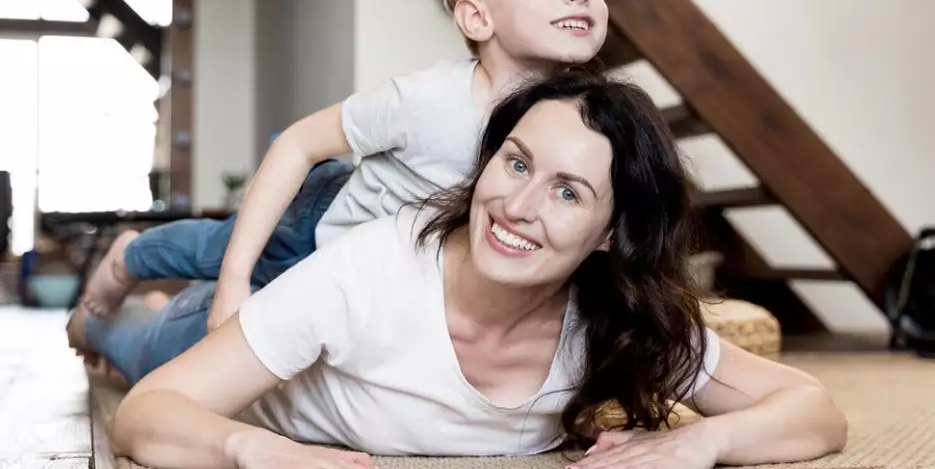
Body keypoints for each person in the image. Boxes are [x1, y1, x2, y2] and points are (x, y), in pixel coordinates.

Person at [68, 70, 847, 469]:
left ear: (611, 234)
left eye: (567, 191)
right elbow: (147, 413)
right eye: (515, 162)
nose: (516, 205)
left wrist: (700, 444)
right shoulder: (369, 270)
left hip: (291, 317)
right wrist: (251, 448)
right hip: (236, 337)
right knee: (134, 345)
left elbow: (814, 409)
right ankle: (107, 304)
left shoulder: (615, 313)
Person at [76, 0, 611, 336]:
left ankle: (166, 301)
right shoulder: (426, 100)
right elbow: (296, 143)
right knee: (218, 252)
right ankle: (130, 256)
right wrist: (234, 279)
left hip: (378, 273)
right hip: (318, 226)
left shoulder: (579, 119)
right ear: (477, 17)